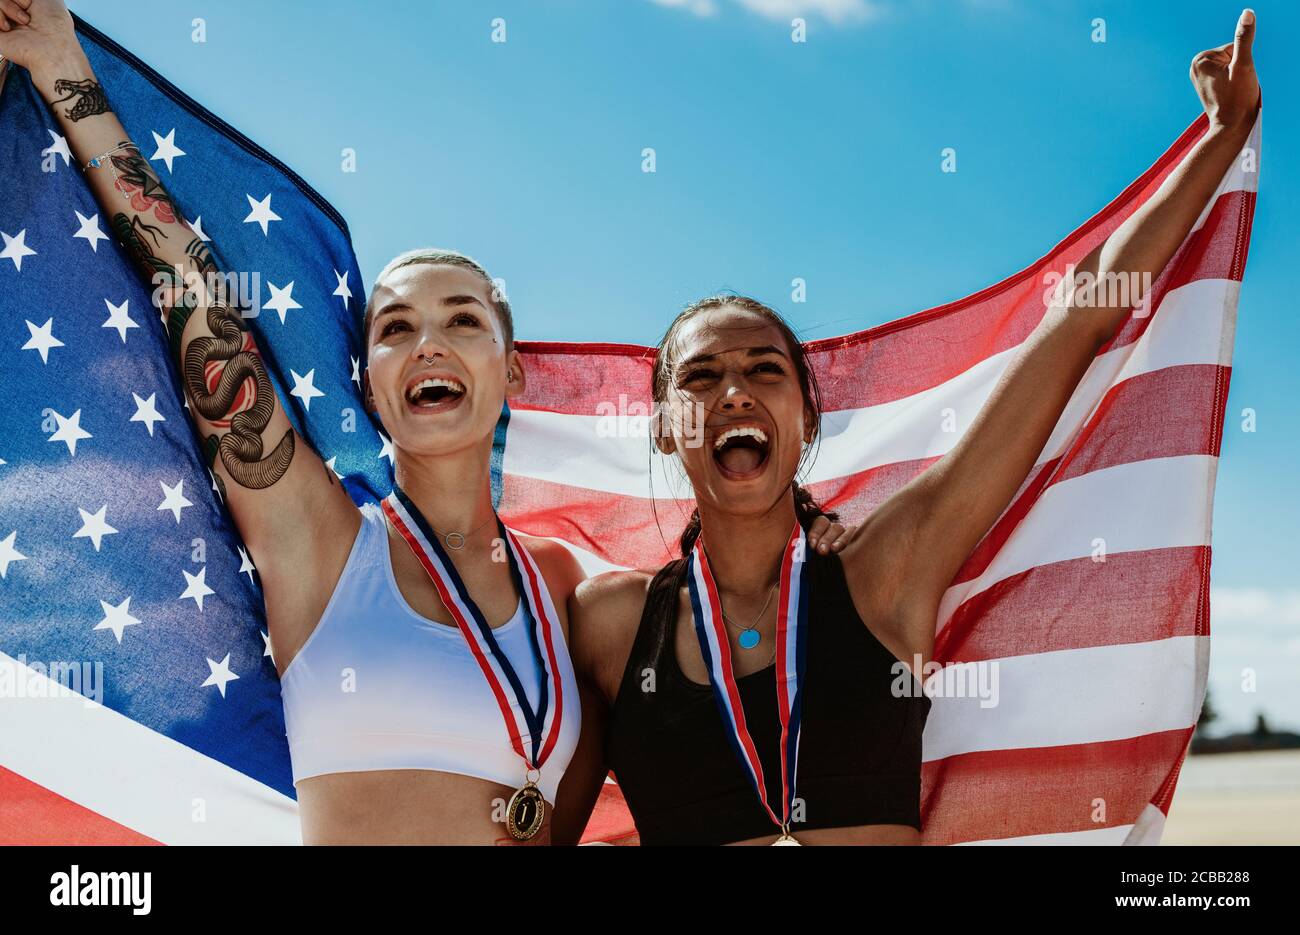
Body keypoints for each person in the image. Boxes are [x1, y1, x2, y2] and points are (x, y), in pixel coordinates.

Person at [0, 0, 855, 844]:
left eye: (464, 321)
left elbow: (728, 599)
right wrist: (67, 71)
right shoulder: (323, 548)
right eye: (397, 328)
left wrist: (811, 537)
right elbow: (199, 311)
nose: (429, 345)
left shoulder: (571, 591)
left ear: (510, 369)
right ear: (369, 384)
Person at [561, 11, 1262, 845]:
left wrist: (1222, 137)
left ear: (807, 416)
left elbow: (1077, 326)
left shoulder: (885, 569)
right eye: (701, 379)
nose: (735, 395)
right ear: (663, 428)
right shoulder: (607, 622)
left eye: (764, 371)